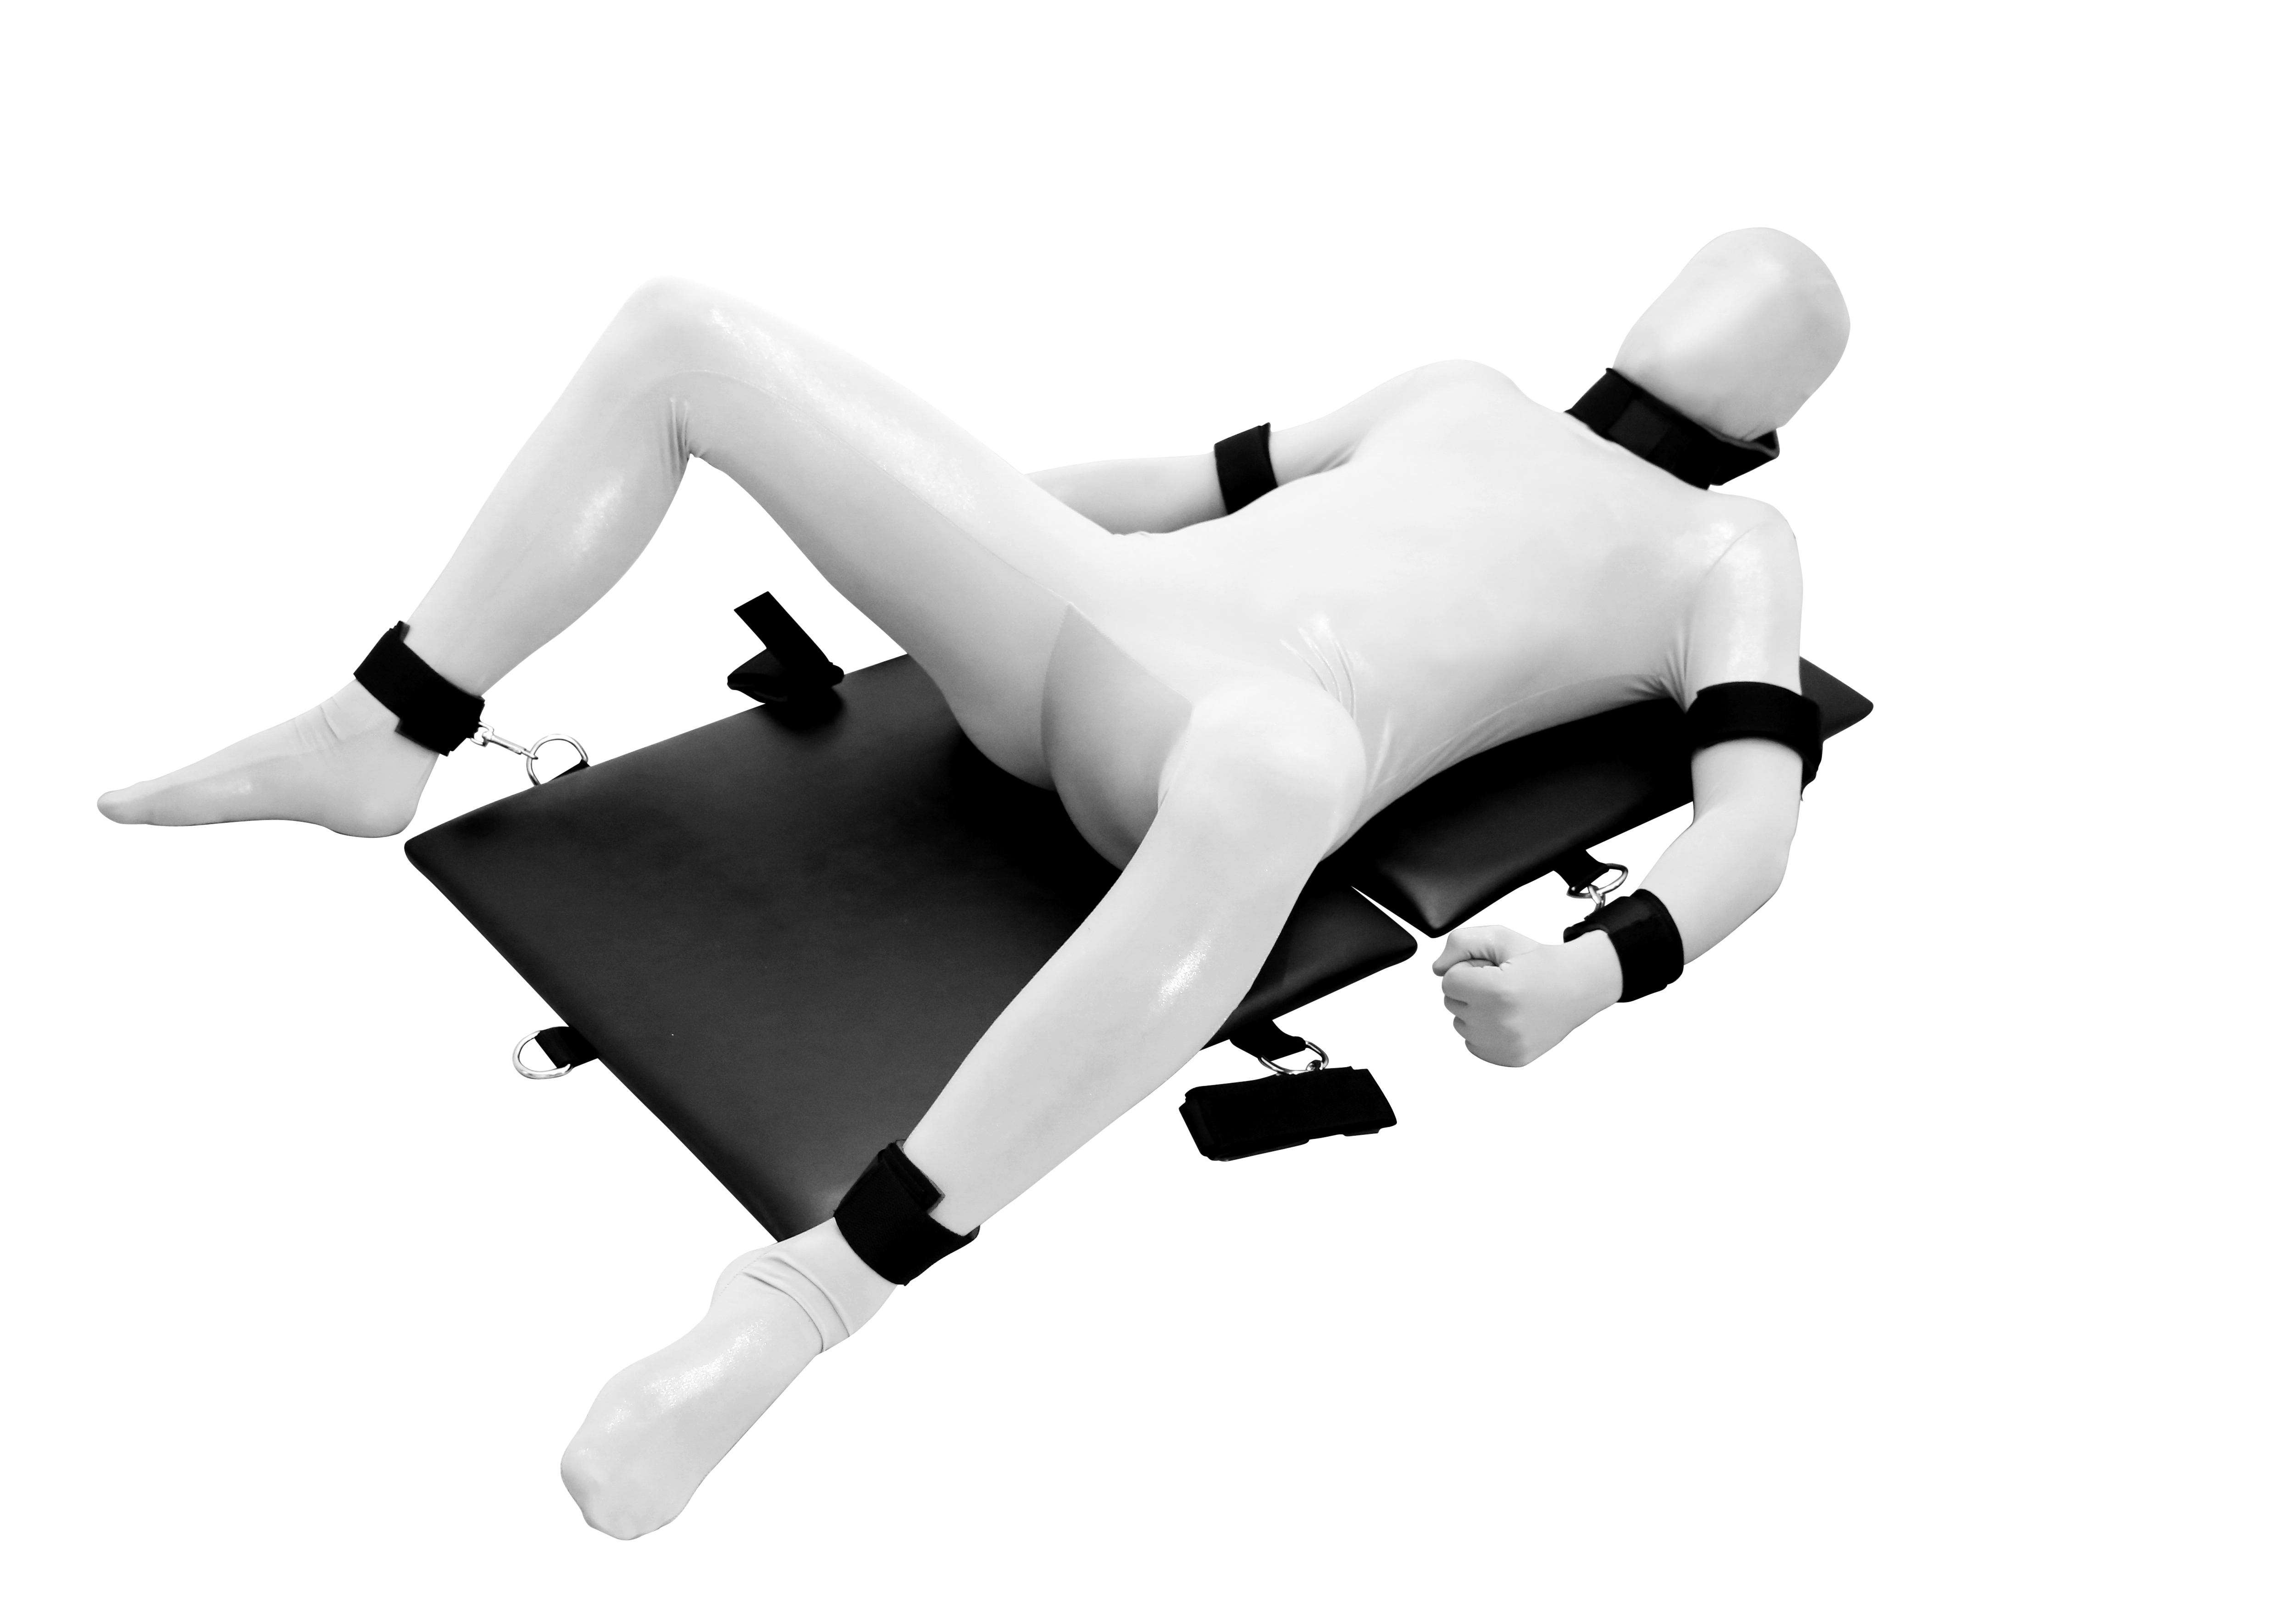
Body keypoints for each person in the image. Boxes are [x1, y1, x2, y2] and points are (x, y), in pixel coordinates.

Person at [98, 227, 1850, 1537]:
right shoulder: (1457, 386)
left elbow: (1754, 819)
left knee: (1283, 771)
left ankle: (803, 1300)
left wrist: (1598, 968)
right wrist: (947, 520)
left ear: (1787, 413)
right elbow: (1182, 482)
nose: (1722, 307)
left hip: (1239, 736)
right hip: (1086, 605)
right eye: (1722, 272)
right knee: (683, 326)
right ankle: (380, 728)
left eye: (1769, 306)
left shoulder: (1729, 545)